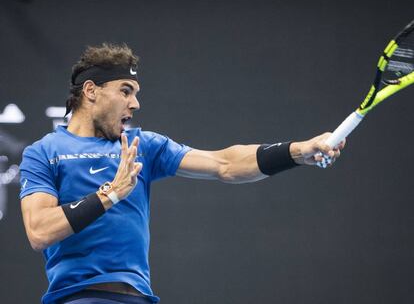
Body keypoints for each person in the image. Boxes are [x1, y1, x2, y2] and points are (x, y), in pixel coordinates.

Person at [19, 43, 345, 304]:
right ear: (91, 91)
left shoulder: (142, 145)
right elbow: (39, 231)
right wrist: (110, 194)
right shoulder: (44, 152)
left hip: (141, 297)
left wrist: (298, 151)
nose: (135, 103)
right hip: (79, 297)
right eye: (125, 90)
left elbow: (225, 164)